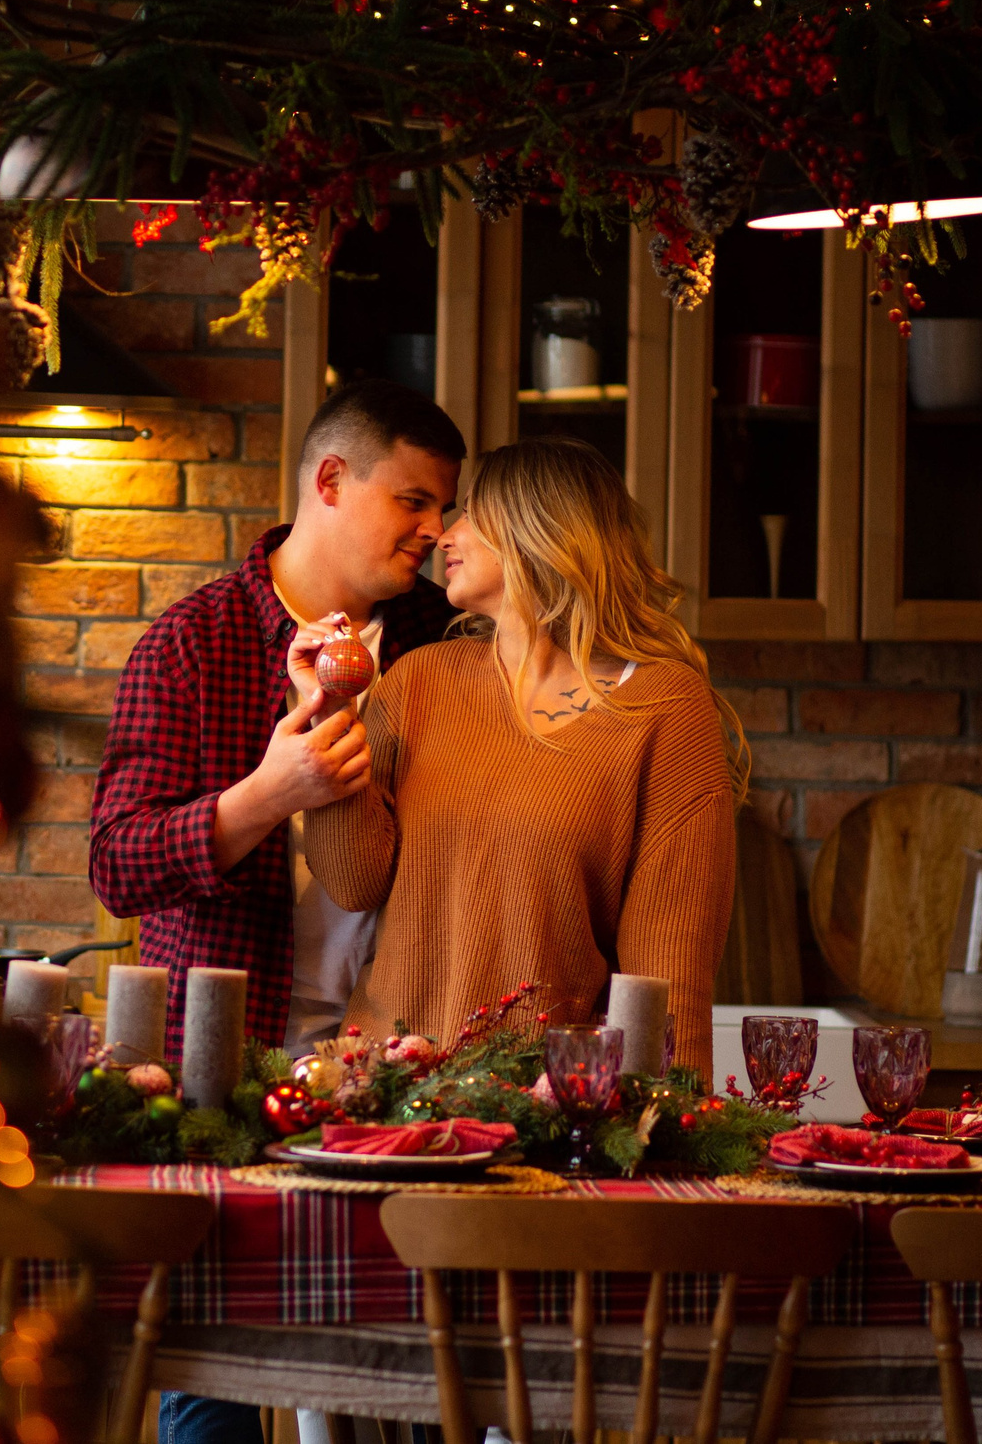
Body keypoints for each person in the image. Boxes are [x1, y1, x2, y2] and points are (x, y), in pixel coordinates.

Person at [295, 436, 747, 1084]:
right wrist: (334, 710)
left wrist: (670, 1119)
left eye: (474, 513)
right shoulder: (419, 680)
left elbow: (668, 974)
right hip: (382, 1092)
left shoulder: (663, 707)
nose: (444, 533)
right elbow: (352, 880)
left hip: (546, 1108)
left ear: (540, 531)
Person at [89, 379, 466, 1055]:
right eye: (414, 501)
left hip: (402, 1054)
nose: (436, 531)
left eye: (443, 508)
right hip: (224, 1055)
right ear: (330, 481)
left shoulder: (449, 638)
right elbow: (117, 867)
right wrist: (268, 794)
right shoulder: (193, 643)